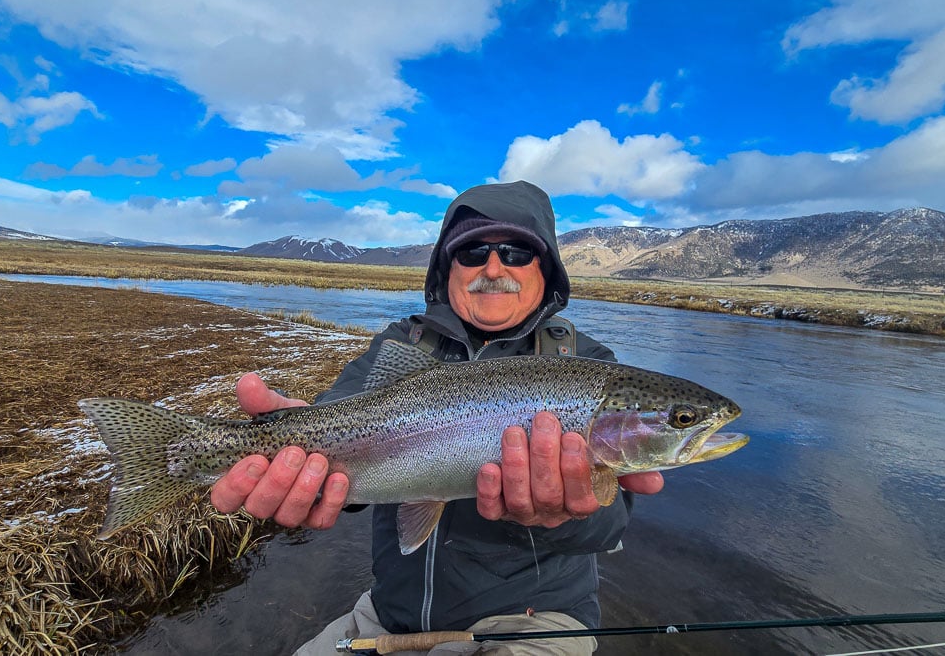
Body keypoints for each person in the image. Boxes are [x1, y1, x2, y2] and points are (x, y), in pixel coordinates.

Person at [211, 181, 664, 654]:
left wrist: (563, 514)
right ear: (446, 269)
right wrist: (298, 464)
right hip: (388, 618)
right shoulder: (401, 343)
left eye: (515, 252)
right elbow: (334, 421)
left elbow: (610, 527)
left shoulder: (588, 364)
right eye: (471, 252)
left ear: (545, 268)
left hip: (534, 625)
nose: (493, 267)